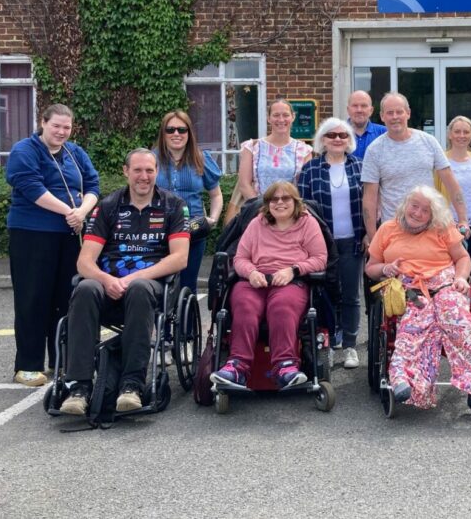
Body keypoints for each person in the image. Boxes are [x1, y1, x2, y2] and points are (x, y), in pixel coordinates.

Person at [59, 149, 189, 415]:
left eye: (149, 170)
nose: (144, 176)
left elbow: (179, 259)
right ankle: (79, 387)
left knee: (139, 289)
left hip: (149, 286)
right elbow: (84, 262)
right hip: (109, 285)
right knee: (84, 287)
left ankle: (132, 384)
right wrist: (106, 280)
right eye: (138, 170)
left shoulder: (173, 205)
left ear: (156, 172)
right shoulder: (108, 206)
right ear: (126, 171)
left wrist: (130, 279)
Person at [365, 187, 471, 412]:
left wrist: (462, 278)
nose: (417, 213)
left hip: (444, 283)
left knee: (460, 324)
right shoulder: (387, 229)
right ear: (405, 205)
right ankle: (403, 379)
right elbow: (371, 268)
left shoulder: (443, 229)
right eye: (414, 205)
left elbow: (463, 258)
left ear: (432, 215)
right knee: (413, 325)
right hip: (409, 288)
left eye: (425, 210)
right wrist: (386, 268)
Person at [6, 104, 100, 387]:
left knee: (67, 299)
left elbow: (93, 185)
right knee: (33, 299)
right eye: (56, 126)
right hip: (32, 234)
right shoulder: (25, 151)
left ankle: (62, 362)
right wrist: (69, 212)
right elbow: (32, 187)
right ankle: (28, 365)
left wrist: (82, 212)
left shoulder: (76, 152)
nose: (61, 132)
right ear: (43, 123)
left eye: (66, 127)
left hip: (70, 234)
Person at [212, 181, 328, 389]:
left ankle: (285, 366)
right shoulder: (257, 224)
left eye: (286, 198)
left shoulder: (308, 223)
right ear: (267, 204)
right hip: (255, 280)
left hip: (291, 280)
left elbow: (320, 258)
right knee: (245, 305)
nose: (280, 203)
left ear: (295, 202)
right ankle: (237, 366)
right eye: (274, 199)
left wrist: (293, 270)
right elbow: (239, 258)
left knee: (281, 307)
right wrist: (251, 272)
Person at [298, 117, 364, 369]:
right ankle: (327, 341)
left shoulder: (359, 166)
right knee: (323, 293)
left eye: (343, 135)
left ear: (349, 140)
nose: (337, 139)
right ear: (322, 140)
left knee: (350, 295)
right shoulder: (310, 169)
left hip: (352, 240)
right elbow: (302, 209)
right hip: (321, 243)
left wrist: (370, 233)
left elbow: (370, 204)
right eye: (331, 135)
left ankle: (349, 345)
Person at [361, 92, 468, 243]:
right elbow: (369, 198)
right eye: (390, 113)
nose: (395, 116)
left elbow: (451, 182)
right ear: (382, 116)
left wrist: (463, 219)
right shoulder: (374, 150)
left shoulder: (428, 141)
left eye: (399, 111)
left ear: (408, 113)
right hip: (394, 232)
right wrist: (373, 237)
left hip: (430, 228)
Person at [155, 110, 223, 297]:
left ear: (189, 133)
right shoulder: (152, 160)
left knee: (187, 286)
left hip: (192, 230)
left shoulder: (201, 159)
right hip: (158, 229)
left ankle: (187, 327)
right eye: (170, 130)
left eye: (181, 129)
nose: (176, 134)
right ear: (163, 133)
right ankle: (162, 326)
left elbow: (216, 195)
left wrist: (212, 219)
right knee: (160, 285)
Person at [435, 116, 471, 276]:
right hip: (447, 224)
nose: (461, 135)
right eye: (457, 131)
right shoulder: (440, 161)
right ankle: (451, 301)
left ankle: (469, 301)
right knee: (448, 272)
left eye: (466, 132)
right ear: (449, 135)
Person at [234, 97, 313, 208]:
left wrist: (289, 210)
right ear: (268, 118)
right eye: (276, 115)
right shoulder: (252, 147)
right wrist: (262, 210)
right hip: (258, 212)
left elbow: (305, 187)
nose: (281, 120)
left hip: (291, 213)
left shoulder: (304, 151)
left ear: (293, 117)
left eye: (285, 115)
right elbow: (244, 184)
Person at [346, 90, 387, 160]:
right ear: (348, 110)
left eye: (364, 106)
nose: (359, 110)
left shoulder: (384, 133)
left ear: (371, 110)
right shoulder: (336, 135)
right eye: (355, 106)